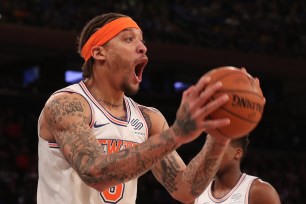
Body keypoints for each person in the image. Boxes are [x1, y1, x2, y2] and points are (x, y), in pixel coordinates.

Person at [37, 12, 233, 204]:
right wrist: (177, 134)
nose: (142, 48)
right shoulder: (66, 105)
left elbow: (185, 190)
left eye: (142, 41)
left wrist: (220, 137)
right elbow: (94, 173)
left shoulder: (148, 118)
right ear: (99, 53)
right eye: (129, 39)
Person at [190, 135, 281, 204]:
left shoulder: (260, 192)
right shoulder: (196, 194)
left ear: (237, 153)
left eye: (218, 146)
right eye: (208, 147)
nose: (210, 153)